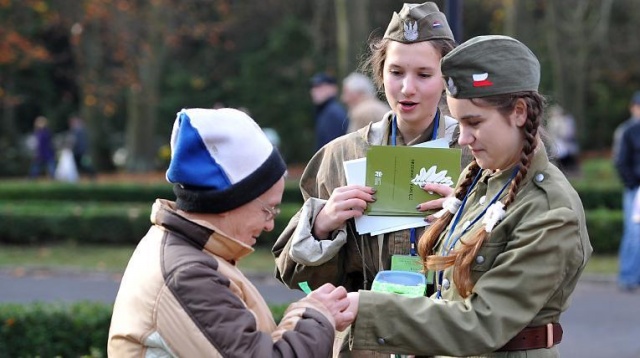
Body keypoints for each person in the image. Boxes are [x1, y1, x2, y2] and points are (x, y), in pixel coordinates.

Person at [343, 35, 592, 357]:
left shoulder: (551, 211)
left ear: (518, 112)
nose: (463, 138)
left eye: (474, 122)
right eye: (459, 123)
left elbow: (483, 322)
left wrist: (366, 309)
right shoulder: (484, 179)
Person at [273, 2, 458, 356]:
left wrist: (463, 220)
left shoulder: (474, 154)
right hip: (365, 344)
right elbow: (293, 275)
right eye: (396, 71)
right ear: (380, 73)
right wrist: (323, 225)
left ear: (446, 79)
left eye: (423, 74)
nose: (407, 88)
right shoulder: (341, 156)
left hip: (448, 340)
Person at [108, 108, 354, 357]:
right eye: (268, 210)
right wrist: (315, 316)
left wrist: (307, 317)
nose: (269, 225)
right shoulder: (188, 275)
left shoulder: (185, 250)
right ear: (229, 202)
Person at [612, 90, 640, 292]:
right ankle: (628, 276)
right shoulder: (628, 131)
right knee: (634, 233)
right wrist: (633, 185)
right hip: (637, 189)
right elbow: (621, 162)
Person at [310, 72, 349, 150]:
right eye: (313, 87)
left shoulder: (333, 113)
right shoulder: (326, 111)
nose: (315, 91)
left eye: (321, 87)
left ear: (334, 89)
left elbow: (333, 148)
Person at [546, 104, 579, 175]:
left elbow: (564, 133)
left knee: (564, 157)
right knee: (559, 157)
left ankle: (566, 171)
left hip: (562, 143)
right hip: (557, 143)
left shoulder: (562, 121)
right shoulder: (553, 121)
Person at [68, 115, 96, 179]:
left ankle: (92, 175)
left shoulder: (80, 131)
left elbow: (81, 142)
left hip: (83, 151)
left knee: (86, 164)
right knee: (80, 165)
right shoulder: (75, 131)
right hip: (78, 151)